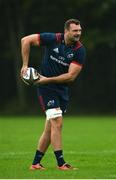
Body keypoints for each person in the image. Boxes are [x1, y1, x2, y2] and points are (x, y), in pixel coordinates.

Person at [20, 18, 86, 170]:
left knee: (50, 128)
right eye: (75, 30)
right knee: (57, 121)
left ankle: (35, 163)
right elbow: (25, 40)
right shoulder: (53, 39)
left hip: (60, 89)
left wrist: (46, 79)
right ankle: (61, 163)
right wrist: (25, 65)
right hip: (46, 89)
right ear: (66, 31)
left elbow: (71, 76)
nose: (78, 33)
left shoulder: (79, 50)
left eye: (80, 31)